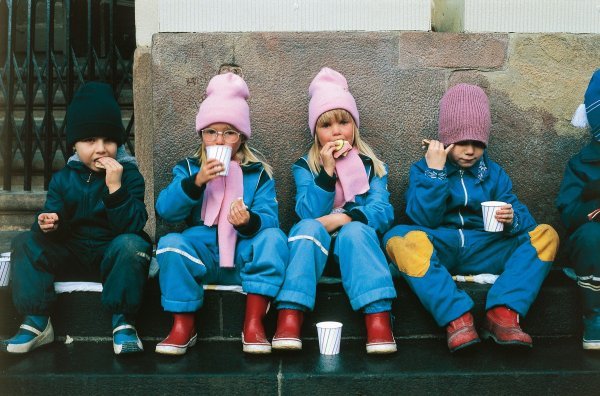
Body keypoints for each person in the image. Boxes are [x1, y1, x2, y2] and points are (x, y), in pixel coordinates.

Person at [383, 83, 559, 353]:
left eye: (477, 144)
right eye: (462, 143)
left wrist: (513, 218)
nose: (469, 151)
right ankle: (458, 319)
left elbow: (524, 217)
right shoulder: (424, 169)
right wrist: (436, 172)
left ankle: (503, 314)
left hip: (486, 247)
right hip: (442, 246)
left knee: (546, 235)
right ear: (445, 140)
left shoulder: (494, 173)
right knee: (398, 238)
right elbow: (423, 219)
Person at [1, 82, 152, 355]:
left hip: (112, 257)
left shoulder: (129, 175)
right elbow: (52, 217)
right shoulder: (63, 178)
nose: (101, 149)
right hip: (72, 253)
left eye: (109, 140)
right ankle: (37, 322)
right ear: (74, 145)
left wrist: (115, 188)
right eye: (90, 141)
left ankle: (123, 322)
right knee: (25, 241)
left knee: (134, 244)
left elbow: (132, 224)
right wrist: (49, 223)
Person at [154, 72, 287, 355]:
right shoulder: (189, 169)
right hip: (202, 255)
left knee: (274, 238)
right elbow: (165, 210)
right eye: (211, 131)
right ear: (201, 135)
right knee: (170, 245)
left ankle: (253, 324)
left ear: (241, 138)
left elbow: (270, 217)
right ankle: (183, 325)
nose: (219, 139)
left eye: (229, 132)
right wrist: (197, 182)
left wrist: (249, 221)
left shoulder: (258, 173)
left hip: (243, 255)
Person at [273, 67, 397, 354]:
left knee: (354, 230)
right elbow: (307, 213)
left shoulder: (372, 166)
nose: (336, 131)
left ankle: (377, 319)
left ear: (354, 126)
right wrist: (327, 173)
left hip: (358, 253)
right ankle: (290, 315)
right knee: (306, 228)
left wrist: (342, 217)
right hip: (314, 253)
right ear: (316, 132)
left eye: (344, 122)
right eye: (326, 125)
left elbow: (382, 210)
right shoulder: (306, 166)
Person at [556, 69, 600, 350]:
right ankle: (595, 317)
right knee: (592, 238)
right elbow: (568, 214)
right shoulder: (581, 164)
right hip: (593, 249)